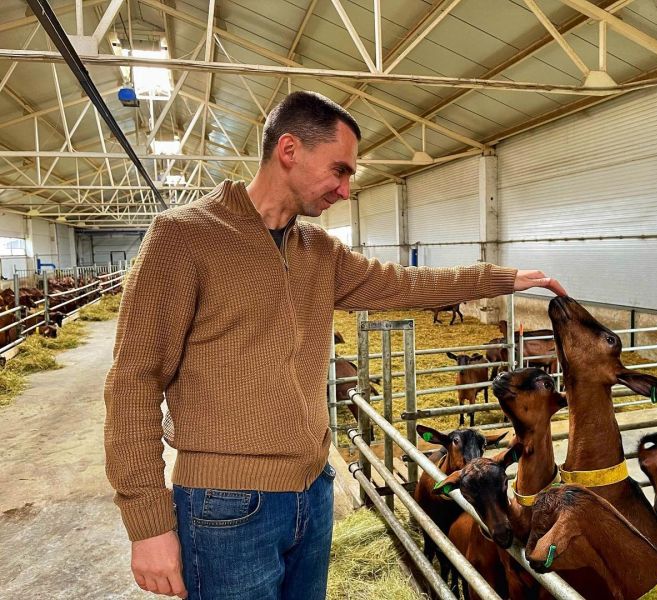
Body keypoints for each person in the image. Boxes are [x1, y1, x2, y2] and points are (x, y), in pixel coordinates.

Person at [104, 90, 567, 600]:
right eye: (340, 171)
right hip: (225, 506)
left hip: (313, 492)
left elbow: (404, 284)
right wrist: (147, 522)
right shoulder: (184, 238)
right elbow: (133, 384)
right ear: (289, 150)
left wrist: (502, 279)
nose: (346, 190)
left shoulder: (317, 250)